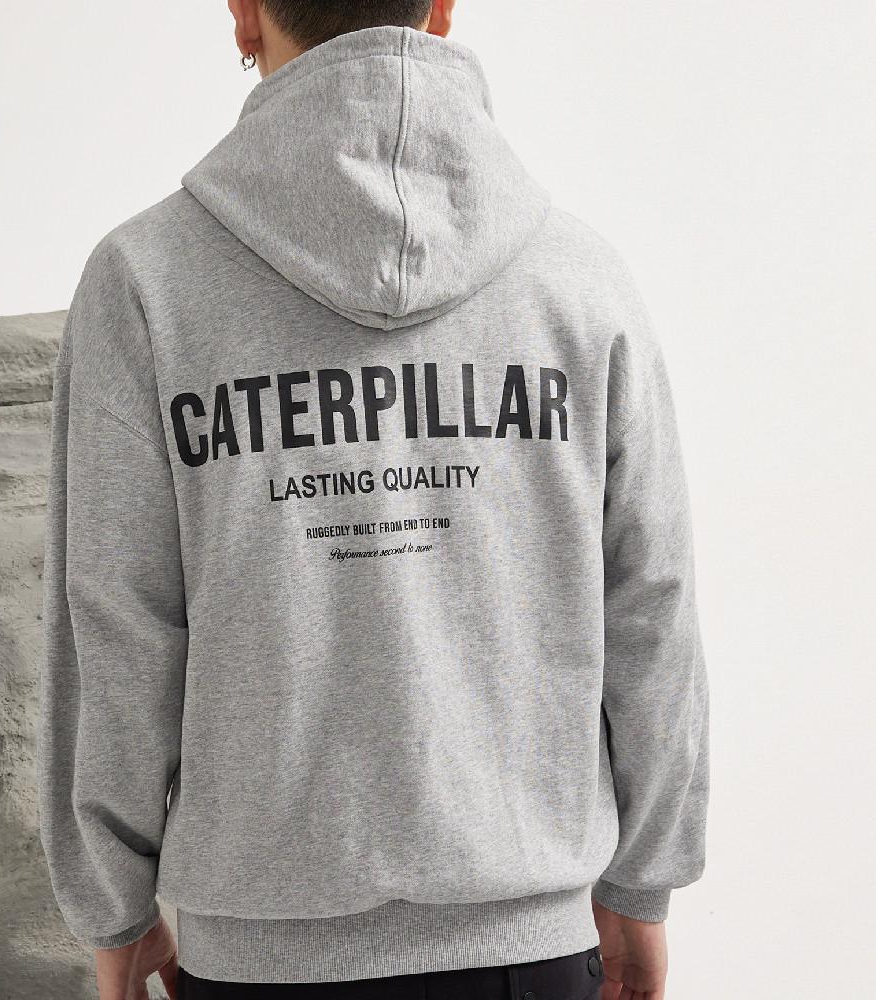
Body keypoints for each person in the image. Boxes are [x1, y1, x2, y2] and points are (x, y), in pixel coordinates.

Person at [35, 1, 710, 998]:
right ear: (442, 10)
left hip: (254, 959)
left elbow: (115, 625)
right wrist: (641, 882)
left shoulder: (144, 282)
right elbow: (652, 604)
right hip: (529, 951)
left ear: (242, 15)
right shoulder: (579, 282)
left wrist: (114, 910)